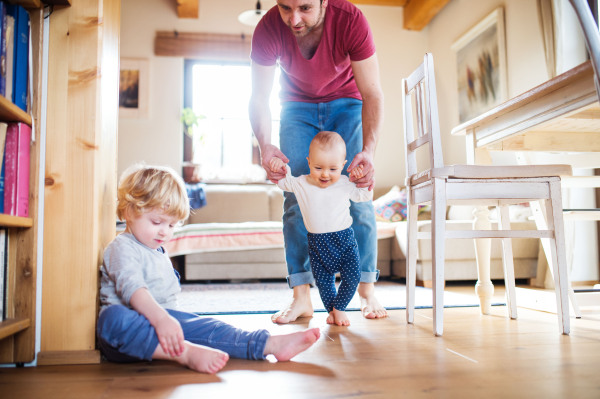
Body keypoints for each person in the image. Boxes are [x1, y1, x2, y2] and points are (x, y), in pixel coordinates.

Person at [97, 164, 320, 374]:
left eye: (171, 225)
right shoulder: (122, 247)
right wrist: (162, 321)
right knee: (112, 319)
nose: (165, 232)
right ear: (128, 212)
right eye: (157, 222)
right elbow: (134, 289)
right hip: (127, 335)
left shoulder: (157, 251)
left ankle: (269, 344)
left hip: (164, 326)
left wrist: (172, 322)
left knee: (208, 325)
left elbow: (171, 311)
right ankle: (183, 353)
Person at [249, 0, 387, 324]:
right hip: (296, 108)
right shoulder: (268, 28)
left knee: (358, 194)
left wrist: (368, 150)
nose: (293, 19)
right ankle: (301, 297)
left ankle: (367, 290)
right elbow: (258, 97)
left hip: (348, 103)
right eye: (285, 7)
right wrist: (265, 145)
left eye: (305, 8)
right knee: (295, 200)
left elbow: (373, 93)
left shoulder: (351, 20)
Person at [270, 131, 371, 326]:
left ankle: (339, 309)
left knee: (353, 276)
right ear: (309, 162)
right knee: (323, 282)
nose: (325, 174)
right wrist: (280, 167)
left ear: (343, 165)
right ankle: (331, 311)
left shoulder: (345, 182)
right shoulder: (301, 183)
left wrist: (363, 181)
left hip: (344, 241)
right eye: (318, 167)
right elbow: (283, 182)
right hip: (317, 244)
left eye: (333, 168)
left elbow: (363, 196)